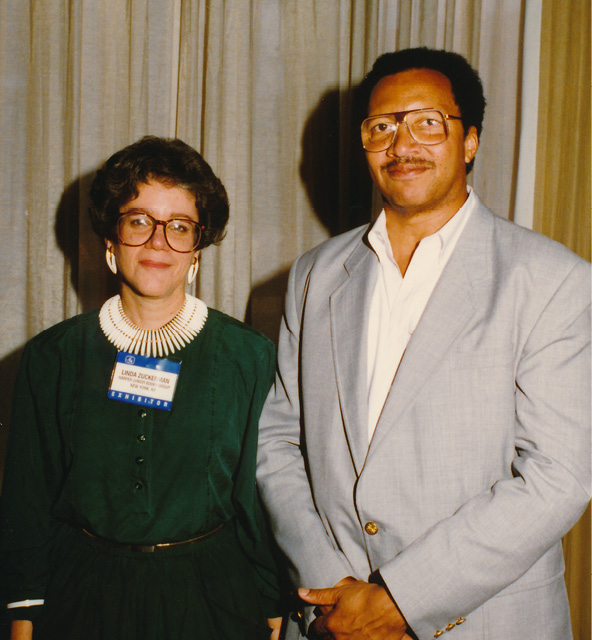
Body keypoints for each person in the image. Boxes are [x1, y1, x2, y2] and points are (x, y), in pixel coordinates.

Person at [256, 47, 590, 640]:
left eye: (427, 123)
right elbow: (278, 441)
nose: (401, 144)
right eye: (382, 126)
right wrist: (333, 588)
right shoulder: (315, 275)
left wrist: (399, 600)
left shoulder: (552, 279)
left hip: (486, 622)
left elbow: (558, 477)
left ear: (470, 142)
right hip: (333, 617)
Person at [0, 136, 282, 640]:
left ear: (198, 245)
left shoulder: (248, 356)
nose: (158, 243)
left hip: (214, 601)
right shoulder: (52, 357)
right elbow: (28, 502)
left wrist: (270, 603)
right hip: (82, 600)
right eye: (139, 221)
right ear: (111, 238)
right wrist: (23, 620)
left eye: (179, 227)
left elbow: (258, 500)